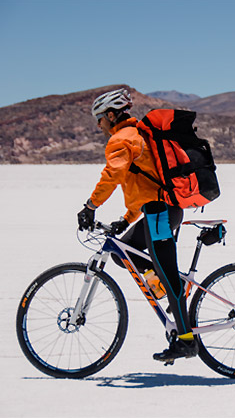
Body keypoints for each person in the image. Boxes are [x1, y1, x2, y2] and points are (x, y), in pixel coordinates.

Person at [76, 88, 197, 363]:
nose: (98, 125)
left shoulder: (121, 139)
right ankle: (169, 289)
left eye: (99, 119)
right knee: (124, 252)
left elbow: (112, 176)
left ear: (109, 115)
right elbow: (142, 186)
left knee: (168, 275)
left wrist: (90, 206)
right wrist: (127, 219)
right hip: (158, 211)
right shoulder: (138, 136)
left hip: (160, 215)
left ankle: (186, 340)